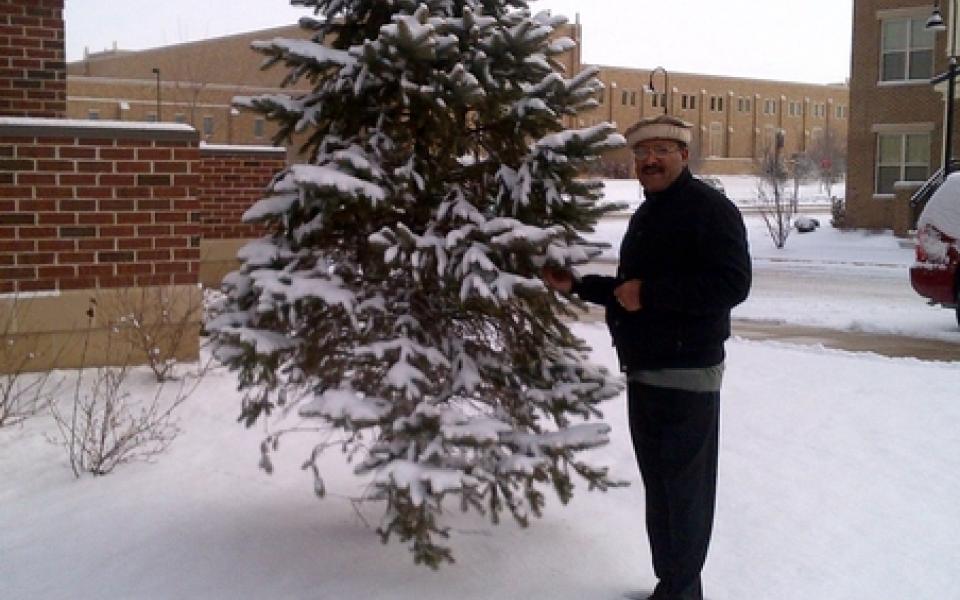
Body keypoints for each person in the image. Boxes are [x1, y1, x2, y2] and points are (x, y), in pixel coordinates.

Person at [542, 114, 751, 600]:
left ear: (683, 154)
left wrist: (652, 294)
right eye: (641, 152)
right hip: (645, 371)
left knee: (685, 494)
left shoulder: (709, 209)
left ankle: (679, 592)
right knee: (662, 492)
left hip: (687, 373)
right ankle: (674, 588)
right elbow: (627, 292)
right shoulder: (650, 212)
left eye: (660, 150)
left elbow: (732, 285)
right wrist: (576, 285)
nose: (649, 160)